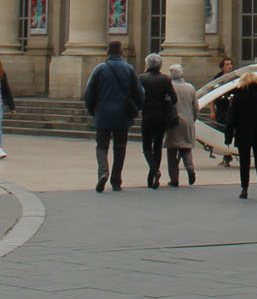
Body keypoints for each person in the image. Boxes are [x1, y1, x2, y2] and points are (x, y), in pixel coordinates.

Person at [83, 40, 141, 192]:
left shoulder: (99, 69)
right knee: (120, 147)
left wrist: (92, 110)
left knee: (102, 146)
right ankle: (116, 180)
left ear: (107, 53)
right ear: (121, 52)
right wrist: (136, 108)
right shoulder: (129, 69)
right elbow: (139, 93)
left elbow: (89, 92)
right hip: (122, 114)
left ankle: (103, 172)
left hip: (103, 113)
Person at [225, 69, 257, 201]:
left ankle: (244, 189)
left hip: (243, 134)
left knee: (244, 162)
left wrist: (228, 136)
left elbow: (231, 119)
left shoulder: (238, 97)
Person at [138, 53, 175, 189]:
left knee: (146, 147)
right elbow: (173, 98)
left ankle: (154, 171)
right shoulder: (165, 80)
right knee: (157, 147)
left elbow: (137, 95)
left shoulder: (141, 78)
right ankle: (153, 177)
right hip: (161, 117)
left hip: (147, 116)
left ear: (147, 65)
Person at [166, 62, 198, 188]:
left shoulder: (169, 87)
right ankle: (190, 167)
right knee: (186, 148)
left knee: (172, 150)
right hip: (187, 121)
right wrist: (193, 119)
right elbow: (195, 107)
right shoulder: (190, 87)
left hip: (173, 121)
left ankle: (174, 178)